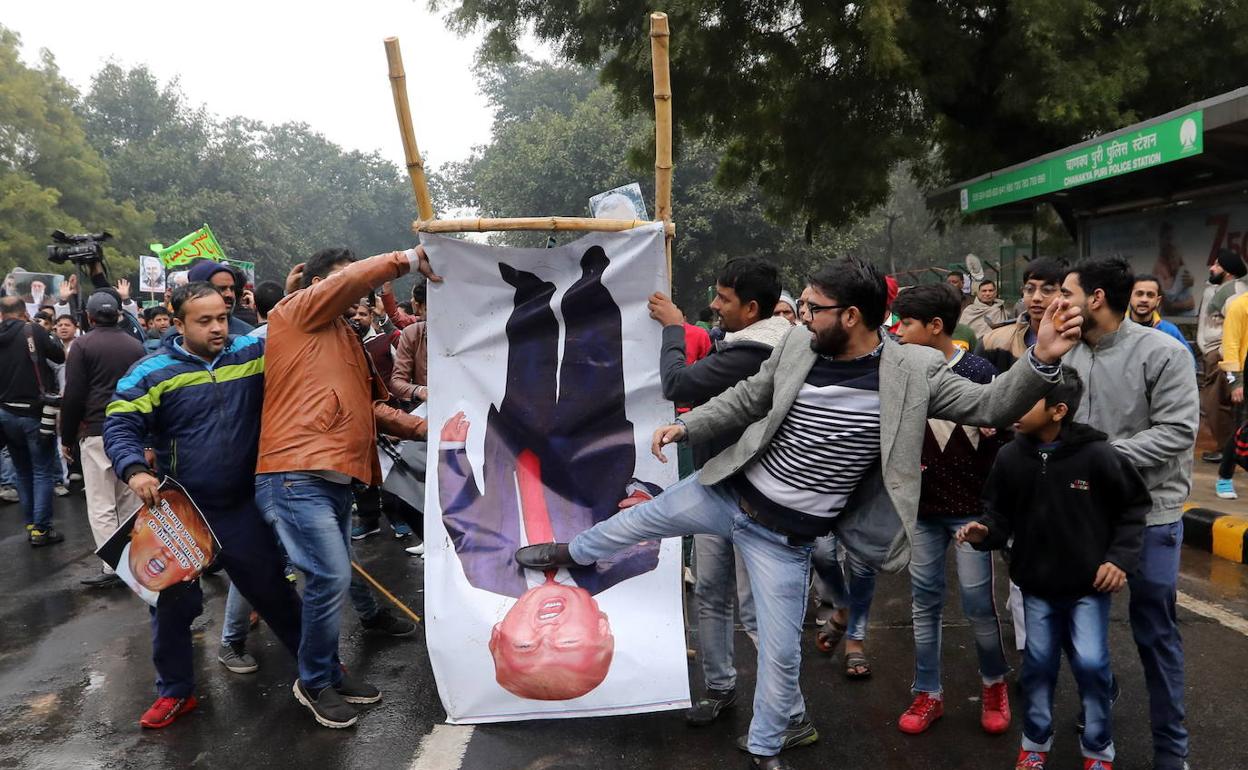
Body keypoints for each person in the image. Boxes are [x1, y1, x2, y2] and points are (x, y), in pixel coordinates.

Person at [513, 256, 1082, 770]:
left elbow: (992, 404)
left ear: (853, 315)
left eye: (814, 308)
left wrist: (1042, 358)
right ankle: (573, 552)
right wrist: (690, 424)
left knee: (782, 656)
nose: (803, 315)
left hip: (783, 542)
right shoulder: (796, 346)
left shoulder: (911, 370)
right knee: (637, 521)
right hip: (728, 494)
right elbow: (748, 398)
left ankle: (765, 749)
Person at [103, 282, 305, 729]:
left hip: (241, 506)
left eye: (222, 316)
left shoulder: (249, 355)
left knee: (274, 591)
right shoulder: (149, 372)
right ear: (177, 323)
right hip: (180, 511)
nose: (218, 328)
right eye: (205, 320)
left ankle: (318, 672)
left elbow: (303, 319)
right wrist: (135, 470)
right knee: (171, 606)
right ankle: (176, 692)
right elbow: (119, 424)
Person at [255, 247, 428, 729]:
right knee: (330, 577)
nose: (354, 294)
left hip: (334, 480)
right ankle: (313, 681)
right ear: (314, 286)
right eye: (340, 281)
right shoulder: (294, 316)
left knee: (332, 577)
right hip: (295, 472)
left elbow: (372, 408)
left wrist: (429, 429)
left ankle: (328, 671)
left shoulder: (344, 341)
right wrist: (410, 258)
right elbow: (346, 283)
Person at [958, 367, 1148, 770]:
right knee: (1038, 669)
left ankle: (1098, 750)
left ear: (1058, 410)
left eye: (1028, 399)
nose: (1016, 405)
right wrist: (983, 532)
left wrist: (1118, 560)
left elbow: (1133, 508)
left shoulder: (1099, 456)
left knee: (1093, 665)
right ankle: (1035, 744)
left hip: (1087, 589)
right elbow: (998, 515)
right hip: (1036, 587)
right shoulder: (1010, 456)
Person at [1060, 258, 1197, 770]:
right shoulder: (1062, 353)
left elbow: (1178, 432)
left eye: (1067, 294)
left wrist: (1102, 457)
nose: (1059, 304)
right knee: (1073, 625)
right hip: (1082, 511)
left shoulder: (1163, 352)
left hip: (1152, 515)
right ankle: (1104, 690)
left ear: (1095, 298)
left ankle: (1171, 752)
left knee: (1155, 634)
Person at [649, 257, 789, 729]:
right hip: (716, 485)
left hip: (758, 502)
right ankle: (720, 689)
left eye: (723, 298)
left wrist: (673, 328)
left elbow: (678, 383)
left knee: (757, 610)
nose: (713, 304)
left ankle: (785, 712)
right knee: (710, 593)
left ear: (751, 309)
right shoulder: (745, 343)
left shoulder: (753, 354)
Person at [890, 284, 1010, 736]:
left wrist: (995, 512)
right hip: (921, 512)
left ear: (936, 327)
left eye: (906, 324)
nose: (898, 333)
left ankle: (994, 684)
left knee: (980, 604)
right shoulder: (898, 371)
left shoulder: (980, 372)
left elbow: (1003, 440)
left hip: (971, 514)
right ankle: (927, 693)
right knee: (925, 604)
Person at [60, 291, 147, 588]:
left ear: (88, 317)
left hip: (96, 430)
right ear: (119, 314)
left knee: (101, 503)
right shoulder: (136, 345)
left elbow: (73, 396)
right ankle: (134, 561)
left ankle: (114, 567)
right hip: (131, 429)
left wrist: (67, 437)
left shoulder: (83, 345)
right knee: (128, 499)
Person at [0, 296, 66, 545]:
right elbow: (59, 356)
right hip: (34, 412)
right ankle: (41, 529)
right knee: (41, 471)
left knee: (22, 471)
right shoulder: (32, 330)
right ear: (23, 312)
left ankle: (30, 522)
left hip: (5, 413)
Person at [1196, 249, 1248, 464]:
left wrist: (1222, 355)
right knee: (1220, 403)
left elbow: (1236, 328)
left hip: (1221, 356)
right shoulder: (1222, 289)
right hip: (1215, 355)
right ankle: (1230, 449)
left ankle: (1230, 450)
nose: (1212, 268)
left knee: (1215, 403)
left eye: (1217, 265)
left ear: (1227, 271)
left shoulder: (1234, 291)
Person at [977, 259, 1067, 373]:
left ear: (1065, 294)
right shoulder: (991, 343)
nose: (1036, 298)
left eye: (1047, 290)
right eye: (1030, 289)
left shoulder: (1077, 343)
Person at [1126, 275, 1193, 355]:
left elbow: (1188, 362)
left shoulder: (1170, 331)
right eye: (1139, 294)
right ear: (1129, 297)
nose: (1144, 300)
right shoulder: (1116, 328)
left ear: (1158, 301)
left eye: (1150, 295)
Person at [186, 261, 253, 334]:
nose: (229, 294)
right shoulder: (176, 336)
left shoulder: (249, 336)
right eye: (221, 288)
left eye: (232, 288)